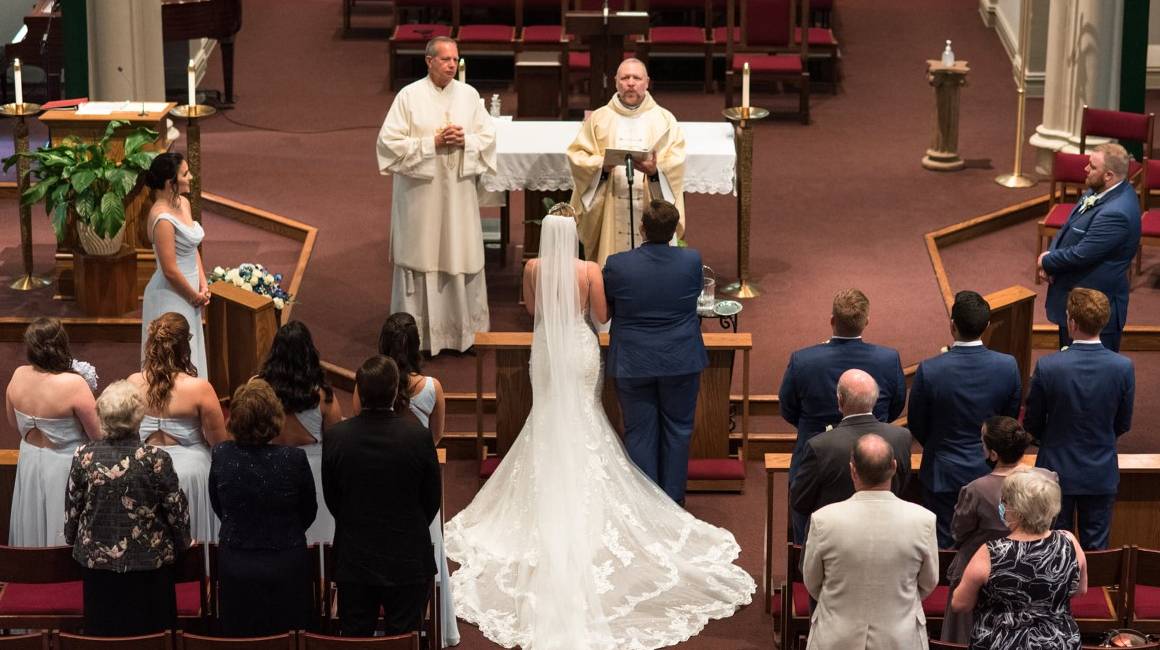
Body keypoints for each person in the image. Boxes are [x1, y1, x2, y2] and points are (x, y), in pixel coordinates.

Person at [445, 213, 754, 650]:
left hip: (550, 351)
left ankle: (605, 491)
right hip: (585, 346)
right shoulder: (592, 270)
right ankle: (663, 503)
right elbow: (602, 315)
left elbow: (533, 310)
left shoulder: (533, 269)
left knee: (553, 416)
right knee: (617, 423)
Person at [376, 36, 496, 354]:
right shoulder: (408, 97)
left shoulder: (469, 96)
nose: (452, 65)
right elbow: (387, 146)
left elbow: (488, 138)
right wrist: (433, 143)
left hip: (458, 196)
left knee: (459, 253)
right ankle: (413, 339)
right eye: (445, 59)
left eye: (456, 60)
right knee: (422, 256)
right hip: (421, 198)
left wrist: (465, 141)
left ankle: (463, 334)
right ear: (429, 61)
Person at [322, 356, 440, 638]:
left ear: (359, 393)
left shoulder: (338, 437)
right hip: (408, 558)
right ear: (394, 391)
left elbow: (332, 497)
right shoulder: (418, 437)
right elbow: (432, 498)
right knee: (404, 637)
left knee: (356, 638)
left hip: (354, 558)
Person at [64, 380, 190, 636]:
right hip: (150, 567)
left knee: (104, 637)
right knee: (152, 637)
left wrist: (71, 538)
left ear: (102, 415)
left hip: (97, 567)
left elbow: (73, 508)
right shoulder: (156, 459)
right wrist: (183, 543)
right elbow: (176, 511)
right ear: (138, 416)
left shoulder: (84, 456)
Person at [778, 288, 905, 543]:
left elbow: (788, 409)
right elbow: (895, 407)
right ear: (866, 322)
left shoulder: (803, 360)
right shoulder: (888, 359)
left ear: (832, 321)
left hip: (815, 455)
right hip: (873, 456)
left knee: (809, 530)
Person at [602, 199, 706, 504]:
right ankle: (673, 503)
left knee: (638, 432)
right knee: (678, 430)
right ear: (674, 231)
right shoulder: (691, 261)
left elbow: (609, 305)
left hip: (634, 360)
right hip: (680, 358)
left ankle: (646, 507)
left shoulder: (618, 264)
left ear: (642, 229)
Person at [802, 433, 938, 650]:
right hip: (898, 637)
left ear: (852, 470)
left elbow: (812, 581)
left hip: (837, 636)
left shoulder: (824, 520)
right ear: (894, 467)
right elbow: (928, 582)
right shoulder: (923, 520)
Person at [908, 290, 1022, 548]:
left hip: (942, 471)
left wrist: (939, 445)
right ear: (987, 326)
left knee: (944, 548)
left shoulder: (930, 369)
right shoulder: (1007, 366)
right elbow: (1008, 420)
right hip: (989, 471)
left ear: (952, 326)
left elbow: (917, 422)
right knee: (990, 546)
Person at [1024, 288, 1134, 550]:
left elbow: (1032, 422)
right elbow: (1123, 422)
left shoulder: (1049, 366)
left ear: (1071, 322)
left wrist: (1049, 439)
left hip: (1055, 471)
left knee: (1052, 551)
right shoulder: (1123, 367)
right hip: (1099, 469)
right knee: (1096, 553)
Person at [377, 311, 458, 648]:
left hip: (380, 477)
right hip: (415, 480)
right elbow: (434, 438)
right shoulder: (432, 388)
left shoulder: (371, 382)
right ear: (416, 346)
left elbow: (362, 424)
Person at [209, 379, 316, 637]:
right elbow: (308, 511)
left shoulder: (222, 454)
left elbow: (219, 505)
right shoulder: (294, 459)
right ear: (274, 417)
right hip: (286, 563)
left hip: (237, 564)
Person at [941, 417, 1055, 643]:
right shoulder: (1047, 478)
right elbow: (1048, 522)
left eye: (982, 442)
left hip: (982, 571)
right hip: (1035, 566)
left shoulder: (976, 489)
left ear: (993, 454)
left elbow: (958, 533)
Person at [567, 58, 686, 266]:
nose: (630, 83)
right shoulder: (599, 118)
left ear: (647, 82)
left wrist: (654, 171)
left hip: (649, 204)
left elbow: (676, 161)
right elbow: (578, 156)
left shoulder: (665, 120)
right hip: (609, 206)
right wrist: (601, 165)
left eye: (636, 78)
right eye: (625, 77)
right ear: (616, 82)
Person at [952, 469, 1087, 650]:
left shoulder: (991, 552)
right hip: (1059, 642)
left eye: (1004, 501)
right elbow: (1080, 591)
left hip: (999, 643)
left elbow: (960, 604)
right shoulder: (1069, 542)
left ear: (1016, 509)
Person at [130, 312, 228, 543]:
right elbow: (220, 445)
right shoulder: (200, 389)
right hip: (190, 475)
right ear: (184, 346)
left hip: (145, 470)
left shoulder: (133, 382)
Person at [5, 318, 101, 546]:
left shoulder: (18, 375)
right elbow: (98, 434)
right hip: (63, 466)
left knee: (33, 519)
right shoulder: (73, 384)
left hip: (29, 460)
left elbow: (12, 422)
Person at [1037, 143, 1141, 352]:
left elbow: (1082, 254)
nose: (1085, 169)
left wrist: (1046, 261)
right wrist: (1052, 257)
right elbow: (1069, 226)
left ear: (1108, 175)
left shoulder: (1116, 213)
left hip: (1094, 312)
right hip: (1075, 302)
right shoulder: (1101, 190)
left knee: (1091, 378)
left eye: (1092, 167)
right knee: (1067, 366)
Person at [790, 369, 912, 546]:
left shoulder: (819, 446)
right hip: (888, 538)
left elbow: (800, 501)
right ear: (875, 400)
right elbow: (902, 485)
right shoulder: (901, 437)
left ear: (840, 400)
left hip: (834, 541)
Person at [258, 320, 342, 545]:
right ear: (309, 353)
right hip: (313, 476)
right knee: (318, 544)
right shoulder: (324, 396)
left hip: (268, 469)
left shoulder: (257, 388)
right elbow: (335, 447)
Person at [141, 152, 209, 375]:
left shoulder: (185, 204)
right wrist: (192, 295)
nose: (190, 177)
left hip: (191, 291)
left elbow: (192, 247)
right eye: (185, 174)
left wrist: (203, 284)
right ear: (171, 182)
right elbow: (170, 269)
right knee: (173, 359)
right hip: (172, 294)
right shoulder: (161, 218)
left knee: (191, 349)